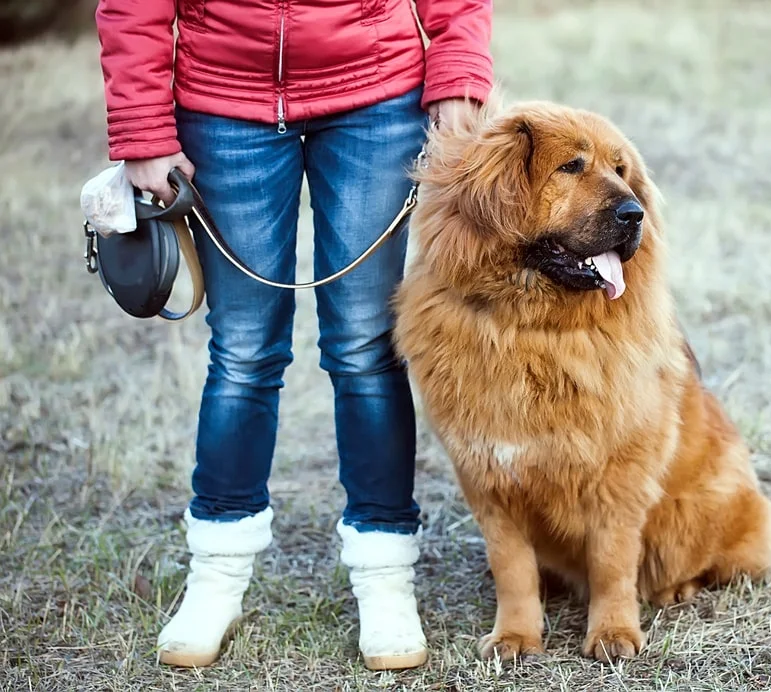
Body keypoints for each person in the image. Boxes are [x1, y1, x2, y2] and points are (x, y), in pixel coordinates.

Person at [93, 0, 493, 672]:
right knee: (244, 350)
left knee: (365, 345)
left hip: (376, 97)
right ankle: (216, 575)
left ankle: (384, 574)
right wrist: (142, 127)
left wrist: (457, 75)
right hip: (224, 104)